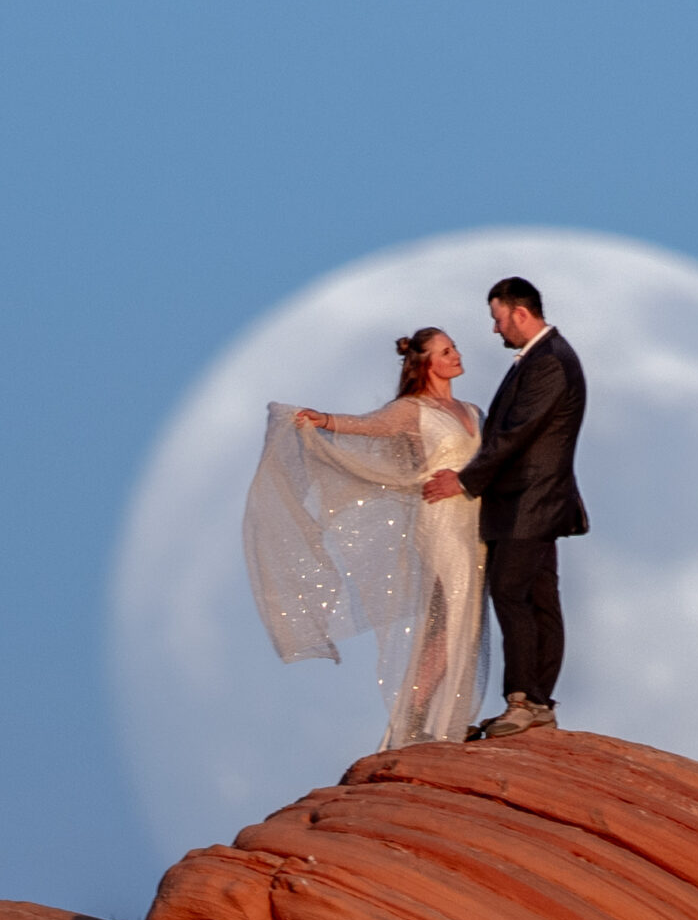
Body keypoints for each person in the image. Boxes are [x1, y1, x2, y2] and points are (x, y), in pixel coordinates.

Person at [241, 329, 488, 749]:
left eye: (455, 348)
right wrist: (325, 421)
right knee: (453, 619)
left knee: (456, 624)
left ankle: (442, 716)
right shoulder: (413, 410)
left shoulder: (473, 410)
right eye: (446, 351)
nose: (456, 355)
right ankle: (423, 719)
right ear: (425, 363)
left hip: (476, 524)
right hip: (441, 522)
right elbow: (369, 427)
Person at [423, 276, 587, 740]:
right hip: (532, 502)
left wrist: (464, 479)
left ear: (519, 313)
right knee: (537, 599)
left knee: (515, 595)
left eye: (498, 319)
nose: (495, 330)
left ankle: (524, 701)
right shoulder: (542, 359)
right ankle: (536, 703)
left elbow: (515, 434)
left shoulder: (549, 362)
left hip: (529, 503)